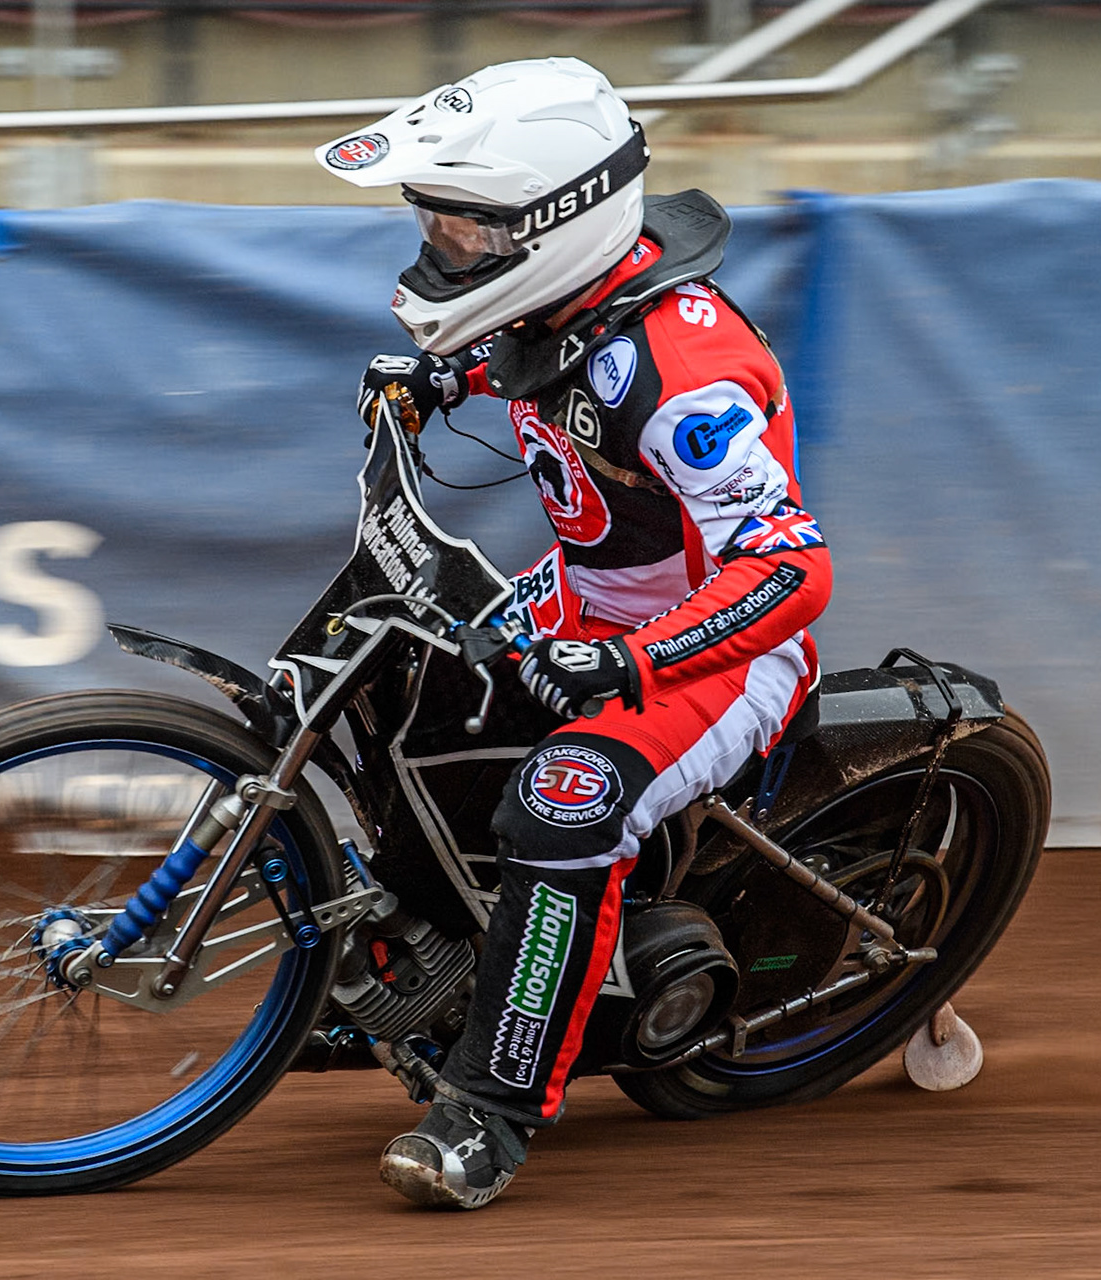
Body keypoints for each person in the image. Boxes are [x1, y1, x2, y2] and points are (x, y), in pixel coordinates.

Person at [317, 56, 832, 1210]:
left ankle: (491, 1110)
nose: (440, 241)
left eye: (464, 225)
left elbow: (792, 565)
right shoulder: (557, 298)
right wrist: (432, 382)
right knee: (404, 682)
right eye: (432, 219)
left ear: (555, 225)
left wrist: (636, 660)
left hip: (717, 646)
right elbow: (533, 366)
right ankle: (427, 958)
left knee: (562, 797)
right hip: (593, 594)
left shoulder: (684, 371)